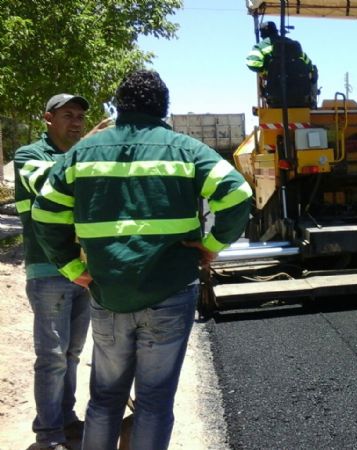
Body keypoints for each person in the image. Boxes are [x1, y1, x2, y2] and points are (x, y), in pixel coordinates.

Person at [32, 70, 252, 450]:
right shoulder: (185, 149)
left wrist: (72, 268)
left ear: (119, 106)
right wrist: (212, 245)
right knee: (153, 402)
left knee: (104, 399)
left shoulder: (83, 153)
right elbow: (236, 194)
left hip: (108, 294)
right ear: (163, 108)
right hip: (170, 294)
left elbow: (45, 212)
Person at [13, 93, 111, 450]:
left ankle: (67, 421)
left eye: (81, 117)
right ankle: (48, 434)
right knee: (52, 356)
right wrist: (86, 149)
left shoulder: (80, 157)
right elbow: (51, 186)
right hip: (48, 270)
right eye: (67, 115)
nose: (76, 122)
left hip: (81, 271)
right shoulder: (28, 156)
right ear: (47, 119)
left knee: (71, 353)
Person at [245, 21, 317, 107]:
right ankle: (312, 102)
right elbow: (310, 67)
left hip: (276, 96)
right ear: (276, 31)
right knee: (314, 70)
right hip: (300, 97)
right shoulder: (293, 45)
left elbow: (253, 63)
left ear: (262, 34)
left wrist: (266, 71)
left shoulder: (260, 46)